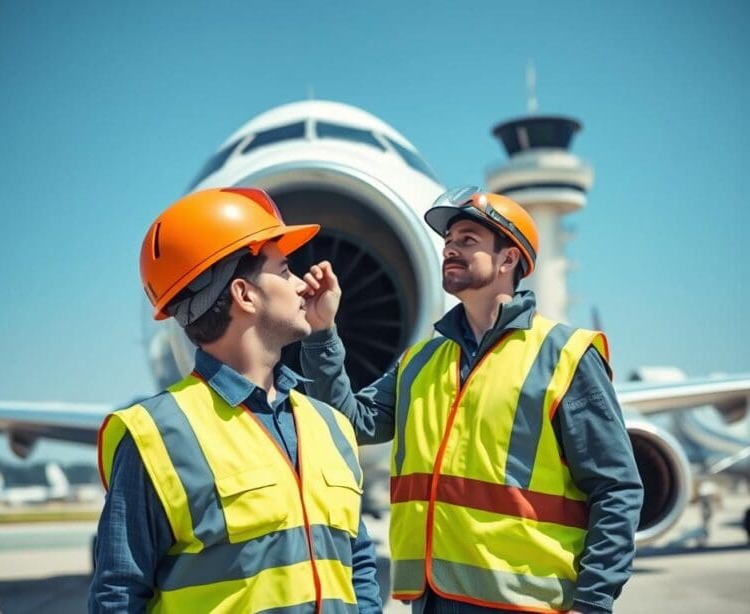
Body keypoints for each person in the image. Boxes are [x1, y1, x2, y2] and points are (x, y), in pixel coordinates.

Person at [299, 186, 644, 614]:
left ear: (508, 258)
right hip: (432, 600)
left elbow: (616, 488)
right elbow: (347, 424)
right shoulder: (420, 361)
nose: (450, 250)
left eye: (467, 241)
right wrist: (321, 333)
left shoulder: (564, 355)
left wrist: (593, 603)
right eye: (448, 242)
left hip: (525, 604)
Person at [89, 187, 382, 613]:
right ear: (244, 295)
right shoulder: (156, 436)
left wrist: (323, 333)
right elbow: (118, 595)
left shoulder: (330, 425)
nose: (303, 285)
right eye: (284, 271)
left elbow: (358, 569)